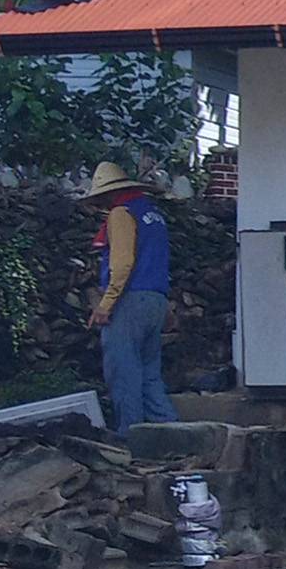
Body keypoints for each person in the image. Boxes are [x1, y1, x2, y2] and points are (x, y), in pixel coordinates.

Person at [79, 161, 175, 431]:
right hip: (155, 298)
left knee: (123, 372)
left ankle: (130, 437)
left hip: (129, 299)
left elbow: (121, 264)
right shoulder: (152, 214)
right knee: (149, 374)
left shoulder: (121, 213)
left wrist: (105, 304)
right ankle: (171, 434)